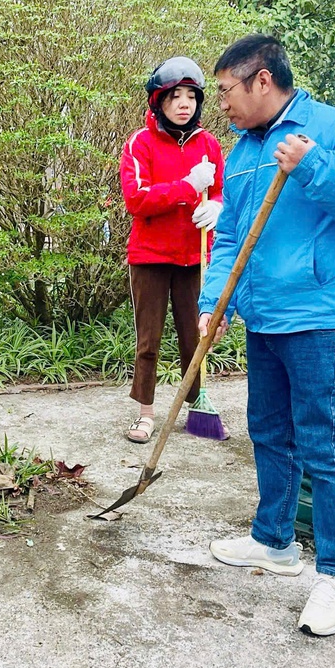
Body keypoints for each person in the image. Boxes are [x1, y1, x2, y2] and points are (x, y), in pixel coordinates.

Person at [198, 34, 335, 636]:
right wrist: (216, 303)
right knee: (269, 429)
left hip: (321, 316)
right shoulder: (242, 150)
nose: (222, 105)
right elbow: (233, 233)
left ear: (262, 80)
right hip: (263, 315)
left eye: (227, 91)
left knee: (323, 444)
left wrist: (313, 164)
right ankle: (275, 540)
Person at [120, 57, 224, 443]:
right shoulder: (140, 143)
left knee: (194, 335)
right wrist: (186, 186)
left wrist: (217, 205)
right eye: (175, 96)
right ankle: (145, 414)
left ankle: (195, 406)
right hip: (150, 256)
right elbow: (137, 199)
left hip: (194, 256)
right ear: (159, 102)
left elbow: (220, 190)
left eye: (191, 96)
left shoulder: (208, 143)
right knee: (149, 339)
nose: (184, 103)